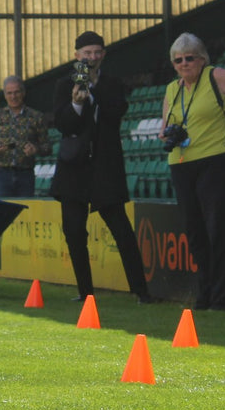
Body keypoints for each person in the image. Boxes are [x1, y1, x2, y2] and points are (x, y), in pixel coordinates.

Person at [160, 32, 225, 311]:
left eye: (189, 58)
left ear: (202, 58)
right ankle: (204, 292)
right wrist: (168, 135)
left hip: (217, 161)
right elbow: (164, 128)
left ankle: (222, 298)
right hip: (182, 164)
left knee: (218, 228)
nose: (184, 64)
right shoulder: (173, 89)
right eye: (178, 60)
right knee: (194, 231)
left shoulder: (217, 76)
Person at [50, 32, 151, 303]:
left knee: (121, 230)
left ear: (103, 54)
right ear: (76, 56)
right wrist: (76, 102)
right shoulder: (64, 85)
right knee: (74, 232)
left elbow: (116, 114)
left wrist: (94, 91)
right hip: (74, 171)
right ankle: (86, 293)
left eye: (96, 52)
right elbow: (64, 125)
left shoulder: (112, 83)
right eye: (86, 53)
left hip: (105, 168)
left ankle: (141, 291)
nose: (91, 57)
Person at [0, 76, 50, 198]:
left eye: (17, 92)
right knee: (1, 213)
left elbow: (47, 147)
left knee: (24, 214)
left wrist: (36, 149)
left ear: (23, 92)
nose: (13, 96)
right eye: (9, 93)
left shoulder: (36, 117)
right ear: (4, 95)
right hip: (1, 175)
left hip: (26, 175)